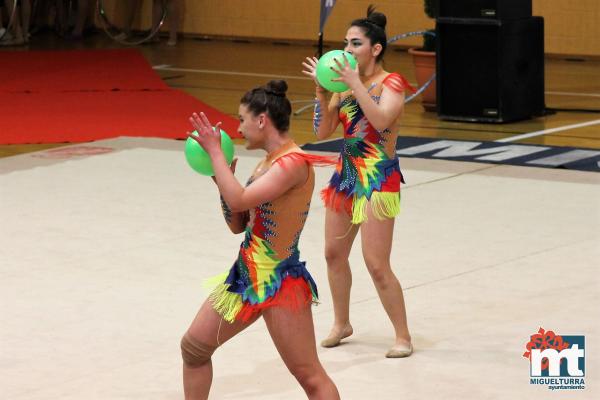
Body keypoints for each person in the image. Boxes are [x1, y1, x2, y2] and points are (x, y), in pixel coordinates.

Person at [182, 80, 340, 399]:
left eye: (242, 119)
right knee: (194, 348)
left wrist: (214, 152)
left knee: (309, 376)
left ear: (262, 120)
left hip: (279, 283)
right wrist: (220, 181)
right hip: (245, 276)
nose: (238, 128)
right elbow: (238, 222)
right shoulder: (266, 163)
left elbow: (240, 200)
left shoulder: (293, 163)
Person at [301, 6, 415, 358]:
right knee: (333, 254)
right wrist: (322, 94)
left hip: (378, 179)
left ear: (375, 49)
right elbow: (321, 133)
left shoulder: (391, 83)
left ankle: (403, 336)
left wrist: (353, 84)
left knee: (376, 263)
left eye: (356, 44)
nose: (347, 51)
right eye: (345, 43)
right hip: (346, 175)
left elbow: (381, 121)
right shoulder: (343, 86)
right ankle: (342, 323)